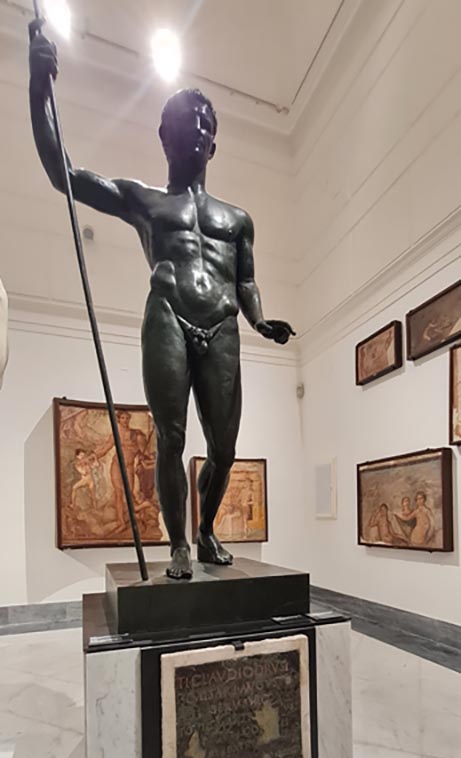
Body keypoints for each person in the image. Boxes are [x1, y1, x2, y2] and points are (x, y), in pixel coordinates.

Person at [28, 22, 295, 578]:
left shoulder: (237, 219)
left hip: (222, 323)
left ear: (214, 141)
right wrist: (38, 84)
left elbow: (245, 280)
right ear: (164, 136)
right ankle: (177, 542)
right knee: (171, 435)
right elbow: (65, 174)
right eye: (183, 122)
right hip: (168, 313)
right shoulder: (143, 201)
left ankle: (204, 530)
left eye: (204, 124)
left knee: (223, 449)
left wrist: (260, 319)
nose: (195, 130)